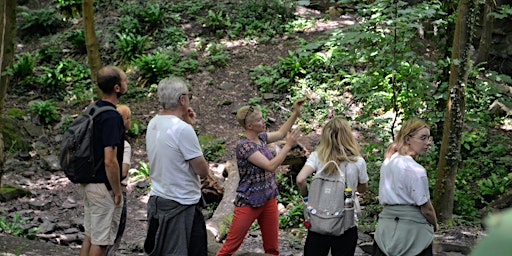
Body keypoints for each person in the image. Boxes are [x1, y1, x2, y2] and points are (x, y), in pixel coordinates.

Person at [216, 99, 304, 256]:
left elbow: (281, 133)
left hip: (268, 198)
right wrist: (288, 146)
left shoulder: (261, 138)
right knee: (230, 247)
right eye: (259, 120)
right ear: (249, 126)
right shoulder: (245, 146)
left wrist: (295, 113)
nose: (263, 121)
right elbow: (270, 165)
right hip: (249, 202)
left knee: (272, 248)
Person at [144, 76, 209, 256]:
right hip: (181, 202)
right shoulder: (182, 129)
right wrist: (189, 127)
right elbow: (202, 171)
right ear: (182, 99)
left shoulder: (154, 123)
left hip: (159, 198)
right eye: (188, 95)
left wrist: (188, 124)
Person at [296, 116, 369, 256]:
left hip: (319, 220)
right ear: (348, 136)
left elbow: (300, 179)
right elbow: (362, 188)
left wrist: (307, 198)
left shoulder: (317, 157)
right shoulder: (358, 161)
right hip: (346, 222)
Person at [79, 66, 128, 256]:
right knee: (101, 242)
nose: (127, 83)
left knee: (91, 236)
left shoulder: (93, 109)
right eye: (124, 80)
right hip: (102, 187)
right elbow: (110, 160)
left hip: (88, 181)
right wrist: (117, 192)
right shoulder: (111, 116)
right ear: (116, 87)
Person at [373, 118, 439, 256]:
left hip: (385, 230)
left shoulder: (389, 162)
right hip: (412, 232)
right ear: (408, 139)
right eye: (423, 138)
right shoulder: (415, 170)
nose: (427, 143)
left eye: (428, 138)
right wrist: (435, 224)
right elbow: (426, 209)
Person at [106, 104, 132, 256]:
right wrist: (118, 192)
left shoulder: (104, 139)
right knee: (114, 232)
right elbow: (124, 171)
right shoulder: (124, 145)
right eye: (129, 118)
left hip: (100, 188)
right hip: (117, 189)